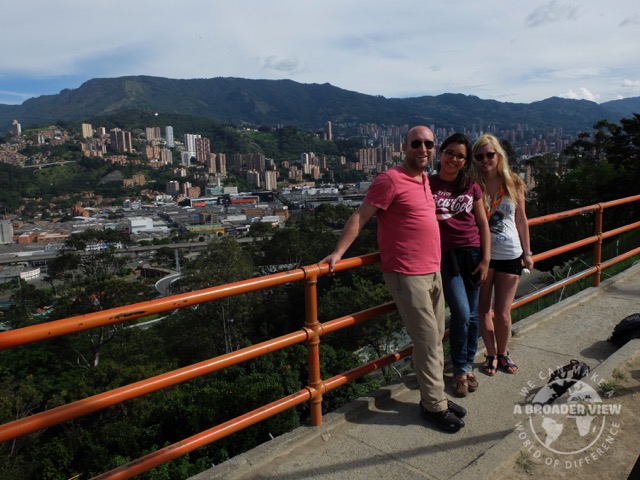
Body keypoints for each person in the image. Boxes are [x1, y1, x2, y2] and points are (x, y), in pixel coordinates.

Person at [320, 125, 466, 433]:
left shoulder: (424, 179)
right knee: (426, 340)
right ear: (404, 146)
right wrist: (338, 253)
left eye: (428, 144)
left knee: (437, 337)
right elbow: (360, 216)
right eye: (417, 143)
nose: (423, 149)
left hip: (432, 270)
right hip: (405, 272)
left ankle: (435, 393)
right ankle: (433, 406)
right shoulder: (389, 179)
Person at [429, 133, 490, 397]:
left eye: (460, 156)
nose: (454, 159)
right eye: (450, 152)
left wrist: (486, 259)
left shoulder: (472, 185)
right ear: (441, 153)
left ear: (466, 162)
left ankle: (465, 367)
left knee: (473, 315)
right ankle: (458, 369)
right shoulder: (427, 184)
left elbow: (483, 224)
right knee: (462, 314)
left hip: (474, 254)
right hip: (446, 257)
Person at [472, 134, 534, 376]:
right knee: (483, 310)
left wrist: (527, 253)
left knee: (504, 312)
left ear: (499, 155)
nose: (486, 160)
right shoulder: (472, 184)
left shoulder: (513, 182)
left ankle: (503, 352)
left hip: (510, 253)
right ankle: (489, 353)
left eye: (490, 154)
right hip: (482, 255)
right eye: (480, 156)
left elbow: (521, 220)